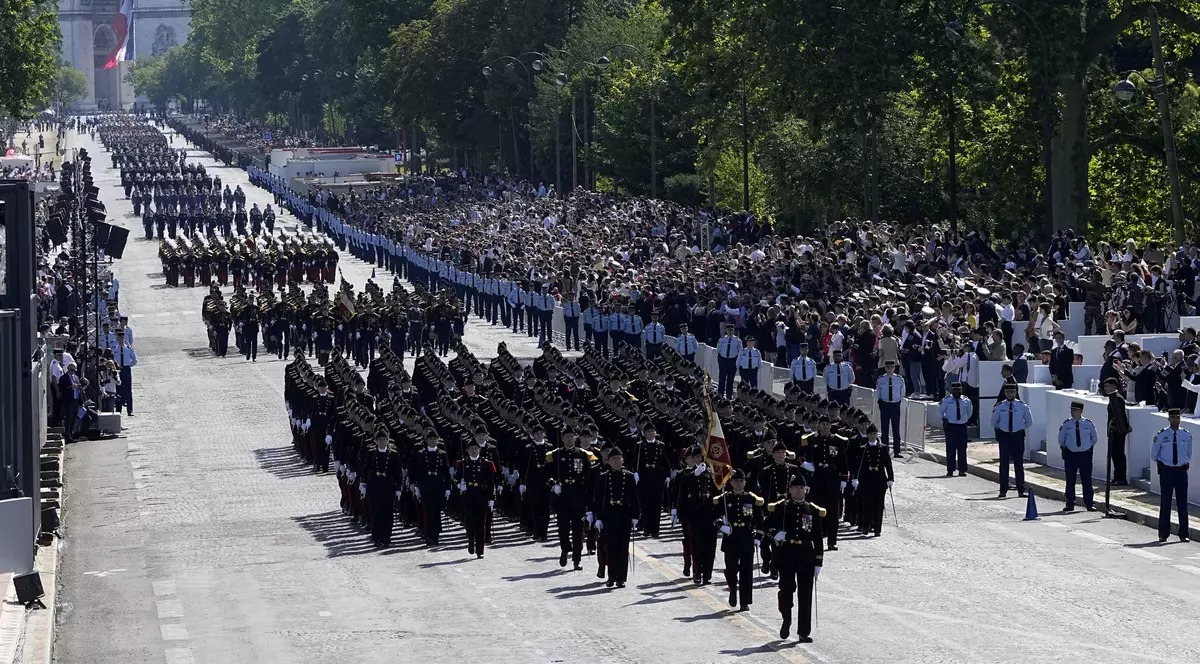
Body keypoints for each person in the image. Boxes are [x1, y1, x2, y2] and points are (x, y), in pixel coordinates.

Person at [768, 475, 824, 642]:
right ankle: (786, 618)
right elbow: (766, 526)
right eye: (796, 487)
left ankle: (803, 631)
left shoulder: (812, 510)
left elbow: (818, 537)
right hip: (787, 554)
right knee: (786, 590)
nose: (799, 490)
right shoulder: (782, 508)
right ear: (790, 490)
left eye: (802, 488)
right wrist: (775, 534)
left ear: (806, 491)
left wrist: (819, 561)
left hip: (806, 555)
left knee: (805, 594)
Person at [589, 447, 639, 588]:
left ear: (622, 460)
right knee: (610, 548)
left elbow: (634, 498)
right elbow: (597, 499)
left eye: (618, 458)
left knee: (623, 548)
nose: (616, 461)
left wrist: (635, 515)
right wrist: (597, 517)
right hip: (609, 516)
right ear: (609, 462)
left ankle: (621, 577)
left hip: (624, 515)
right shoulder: (603, 477)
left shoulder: (629, 476)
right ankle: (611, 576)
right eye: (613, 459)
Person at [715, 468, 764, 611]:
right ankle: (732, 589)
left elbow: (759, 519)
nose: (739, 484)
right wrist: (721, 526)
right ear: (731, 482)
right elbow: (714, 515)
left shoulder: (751, 498)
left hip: (746, 536)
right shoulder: (725, 498)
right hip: (731, 536)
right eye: (736, 481)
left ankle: (745, 601)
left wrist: (758, 536)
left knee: (746, 571)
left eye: (742, 481)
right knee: (731, 569)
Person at [548, 428, 594, 569]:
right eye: (566, 437)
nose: (569, 439)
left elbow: (589, 477)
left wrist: (587, 497)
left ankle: (576, 560)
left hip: (578, 497)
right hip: (563, 497)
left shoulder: (583, 455)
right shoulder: (555, 455)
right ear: (562, 438)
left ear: (575, 438)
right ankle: (565, 549)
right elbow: (546, 474)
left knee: (578, 529)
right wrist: (553, 485)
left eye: (571, 436)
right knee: (563, 528)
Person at [673, 445, 717, 584]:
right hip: (694, 513)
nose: (699, 459)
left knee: (710, 546)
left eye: (701, 457)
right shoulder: (687, 473)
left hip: (710, 513)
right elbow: (682, 490)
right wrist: (676, 510)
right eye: (696, 457)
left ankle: (707, 574)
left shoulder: (711, 473)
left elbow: (718, 491)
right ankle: (697, 572)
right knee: (696, 544)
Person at [1151, 409, 1191, 542]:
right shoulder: (1162, 435)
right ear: (1169, 419)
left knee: (1182, 503)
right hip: (1167, 471)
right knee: (1166, 502)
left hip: (1181, 471)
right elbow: (1154, 454)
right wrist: (1164, 464)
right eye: (1173, 417)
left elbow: (1188, 454)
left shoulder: (1186, 435)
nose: (1175, 420)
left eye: (1177, 417)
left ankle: (1183, 533)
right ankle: (1163, 533)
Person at [359, 428, 402, 547]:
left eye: (384, 439)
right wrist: (363, 484)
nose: (382, 441)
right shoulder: (371, 453)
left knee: (388, 513)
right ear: (375, 441)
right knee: (376, 512)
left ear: (388, 440)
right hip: (375, 486)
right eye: (380, 439)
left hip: (388, 487)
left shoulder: (393, 454)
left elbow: (397, 472)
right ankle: (377, 537)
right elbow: (365, 469)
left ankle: (386, 537)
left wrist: (398, 488)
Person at [455, 438, 497, 558]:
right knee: (469, 523)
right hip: (468, 496)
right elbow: (455, 478)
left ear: (479, 449)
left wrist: (491, 498)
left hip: (481, 496)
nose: (474, 451)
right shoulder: (463, 464)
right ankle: (470, 541)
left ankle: (480, 550)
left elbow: (490, 482)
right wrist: (459, 485)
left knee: (481, 524)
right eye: (471, 449)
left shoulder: (487, 464)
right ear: (467, 450)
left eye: (476, 448)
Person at [990, 384, 1032, 498]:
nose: (1010, 394)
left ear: (1015, 392)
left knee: (1019, 464)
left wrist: (1018, 427)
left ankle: (1021, 490)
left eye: (1012, 392)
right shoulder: (1000, 406)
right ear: (1005, 393)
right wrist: (1001, 429)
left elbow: (1029, 421)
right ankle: (1003, 490)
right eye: (1008, 392)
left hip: (1017, 436)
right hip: (1004, 437)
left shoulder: (1022, 406)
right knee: (1004, 463)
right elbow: (993, 422)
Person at [1057, 401, 1097, 512]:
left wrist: (1087, 447)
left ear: (1081, 411)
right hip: (1071, 455)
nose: (1072, 412)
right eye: (1071, 410)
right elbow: (1061, 439)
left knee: (1087, 480)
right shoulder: (1067, 424)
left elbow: (1094, 438)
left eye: (1075, 410)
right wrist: (1069, 448)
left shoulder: (1088, 424)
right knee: (1070, 480)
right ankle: (1070, 503)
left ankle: (1089, 503)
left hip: (1085, 455)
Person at [855, 424, 894, 536]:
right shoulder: (863, 449)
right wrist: (856, 478)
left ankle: (877, 529)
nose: (873, 436)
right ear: (867, 435)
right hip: (867, 481)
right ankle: (866, 527)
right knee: (867, 505)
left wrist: (891, 478)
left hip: (880, 480)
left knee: (879, 506)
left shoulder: (883, 448)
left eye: (874, 434)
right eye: (871, 434)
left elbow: (888, 465)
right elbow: (858, 466)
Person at [938, 382, 972, 477]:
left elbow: (969, 412)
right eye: (955, 389)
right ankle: (950, 470)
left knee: (962, 448)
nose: (957, 391)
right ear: (952, 390)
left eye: (959, 389)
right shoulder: (946, 400)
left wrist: (963, 420)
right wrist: (945, 420)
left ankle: (962, 470)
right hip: (951, 427)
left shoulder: (966, 400)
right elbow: (940, 411)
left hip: (962, 426)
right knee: (950, 449)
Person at [1103, 377, 1131, 485]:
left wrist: (1120, 429)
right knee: (1114, 454)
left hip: (1118, 431)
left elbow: (1119, 415)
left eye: (1107, 386)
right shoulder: (1113, 397)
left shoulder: (1117, 398)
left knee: (1118, 454)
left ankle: (1121, 477)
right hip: (1114, 431)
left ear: (1113, 386)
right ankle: (1116, 476)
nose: (1105, 388)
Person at [875, 360, 905, 458]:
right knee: (885, 429)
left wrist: (898, 401)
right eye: (888, 367)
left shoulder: (899, 379)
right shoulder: (881, 379)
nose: (890, 369)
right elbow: (878, 392)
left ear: (894, 368)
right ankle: (885, 450)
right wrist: (881, 402)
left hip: (895, 405)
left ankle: (897, 451)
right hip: (885, 404)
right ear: (885, 368)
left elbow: (902, 393)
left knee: (896, 429)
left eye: (891, 367)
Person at [111, 329, 137, 416]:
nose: (121, 339)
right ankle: (119, 410)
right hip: (118, 369)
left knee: (128, 389)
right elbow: (112, 360)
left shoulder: (128, 349)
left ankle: (130, 410)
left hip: (126, 369)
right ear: (117, 339)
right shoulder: (114, 349)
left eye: (122, 337)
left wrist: (128, 366)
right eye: (119, 338)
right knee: (118, 390)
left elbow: (134, 359)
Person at [715, 324, 743, 399]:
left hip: (732, 360)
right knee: (722, 378)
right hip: (723, 360)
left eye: (731, 330)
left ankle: (728, 395)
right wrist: (720, 359)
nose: (730, 331)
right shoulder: (722, 339)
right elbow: (718, 349)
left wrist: (737, 362)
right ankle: (720, 395)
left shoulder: (737, 340)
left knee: (730, 379)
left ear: (733, 330)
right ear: (726, 330)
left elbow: (740, 351)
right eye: (728, 330)